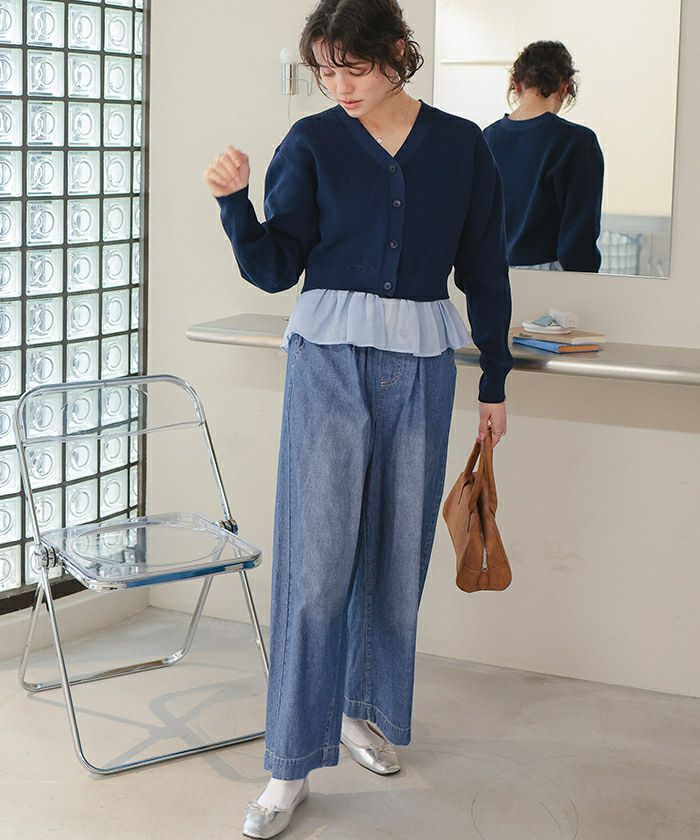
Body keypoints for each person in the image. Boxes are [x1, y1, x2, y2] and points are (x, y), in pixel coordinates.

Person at [203, 1, 512, 836]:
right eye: (326, 71)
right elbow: (276, 267)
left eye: (355, 68)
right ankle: (289, 765)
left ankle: (356, 710)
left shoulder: (461, 146)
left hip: (422, 367)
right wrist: (235, 204)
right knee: (317, 563)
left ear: (399, 52)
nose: (339, 85)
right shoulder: (311, 143)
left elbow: (484, 267)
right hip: (328, 364)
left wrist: (495, 379)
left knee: (396, 560)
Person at [483, 40, 605, 272]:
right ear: (565, 87)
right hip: (550, 277)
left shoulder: (487, 138)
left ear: (516, 85)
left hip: (490, 273)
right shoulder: (576, 142)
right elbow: (579, 238)